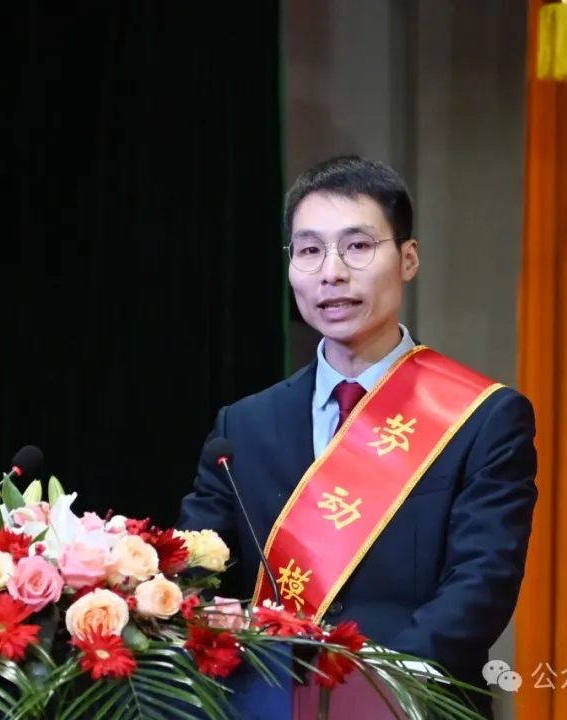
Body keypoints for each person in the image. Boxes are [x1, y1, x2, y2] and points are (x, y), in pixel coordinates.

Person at [177, 155, 538, 719]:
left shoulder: (481, 418)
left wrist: (374, 694)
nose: (332, 272)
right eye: (309, 250)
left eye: (358, 246)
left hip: (414, 705)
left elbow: (481, 583)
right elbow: (195, 573)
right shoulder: (243, 427)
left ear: (409, 258)